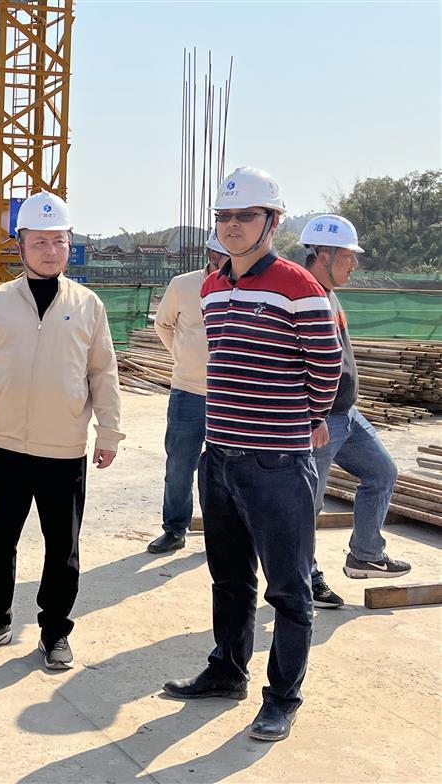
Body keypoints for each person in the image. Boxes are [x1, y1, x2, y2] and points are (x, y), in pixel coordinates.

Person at [163, 167, 342, 743]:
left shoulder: (299, 286)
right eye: (225, 216)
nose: (233, 225)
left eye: (246, 216)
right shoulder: (211, 288)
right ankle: (227, 670)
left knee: (287, 588)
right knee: (229, 578)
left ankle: (282, 698)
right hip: (219, 458)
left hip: (276, 464)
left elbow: (327, 369)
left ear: (273, 221)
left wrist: (304, 421)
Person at [0, 191, 124, 670]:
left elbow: (103, 373)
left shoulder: (88, 305)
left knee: (62, 548)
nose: (50, 251)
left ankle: (54, 632)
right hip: (6, 445)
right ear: (21, 245)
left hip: (64, 448)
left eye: (59, 241)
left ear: (69, 243)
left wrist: (108, 432)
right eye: (39, 242)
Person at [299, 214, 410, 599]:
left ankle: (365, 554)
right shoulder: (304, 297)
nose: (355, 263)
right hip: (321, 420)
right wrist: (312, 416)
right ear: (323, 255)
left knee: (382, 472)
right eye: (348, 256)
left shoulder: (328, 293)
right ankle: (305, 577)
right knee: (309, 503)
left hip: (346, 415)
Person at [148, 230, 228, 554]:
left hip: (230, 397)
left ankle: (223, 533)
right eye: (226, 257)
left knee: (225, 470)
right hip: (188, 393)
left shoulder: (245, 288)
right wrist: (182, 357)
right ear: (212, 254)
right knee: (179, 467)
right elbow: (162, 324)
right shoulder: (183, 286)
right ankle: (174, 529)